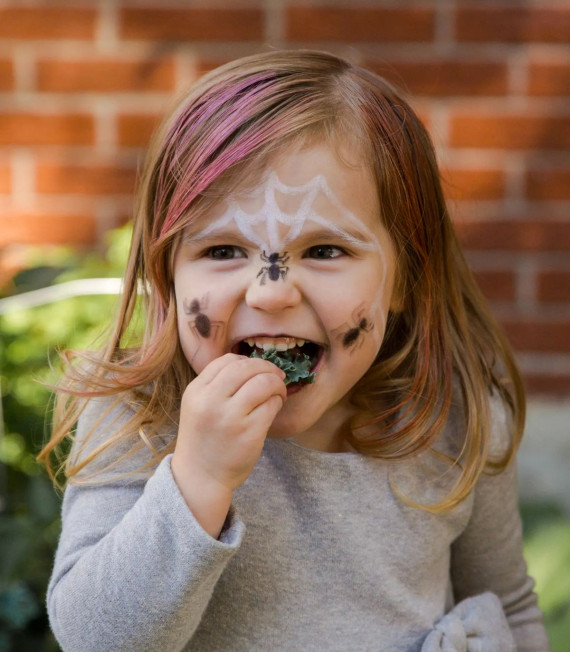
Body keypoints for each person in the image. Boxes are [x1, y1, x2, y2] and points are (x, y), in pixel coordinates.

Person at [40, 50, 549, 651]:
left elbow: (509, 602)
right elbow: (93, 641)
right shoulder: (144, 418)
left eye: (326, 251)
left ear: (407, 278)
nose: (271, 292)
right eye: (224, 250)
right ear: (168, 272)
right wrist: (197, 481)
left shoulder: (452, 416)